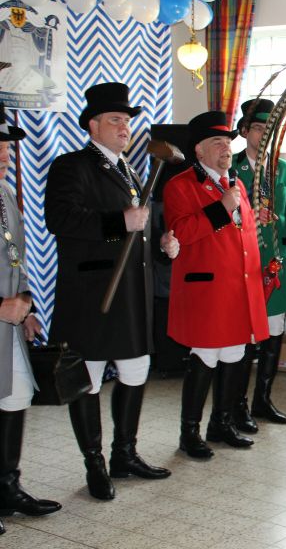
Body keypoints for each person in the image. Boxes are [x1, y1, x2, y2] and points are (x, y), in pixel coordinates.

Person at [45, 82, 175, 500]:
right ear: (93, 125)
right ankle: (95, 464)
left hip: (130, 295)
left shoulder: (129, 170)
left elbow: (135, 231)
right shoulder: (71, 166)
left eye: (127, 120)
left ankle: (125, 454)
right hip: (92, 295)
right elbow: (60, 219)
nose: (125, 127)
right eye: (115, 120)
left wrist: (160, 245)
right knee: (90, 378)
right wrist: (119, 221)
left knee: (136, 371)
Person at [163, 110, 269, 459]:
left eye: (228, 142)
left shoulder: (235, 183)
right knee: (206, 355)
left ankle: (221, 424)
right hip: (207, 289)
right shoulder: (180, 185)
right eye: (217, 142)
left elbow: (244, 236)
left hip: (239, 286)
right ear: (199, 150)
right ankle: (189, 432)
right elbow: (180, 232)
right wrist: (220, 208)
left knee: (235, 353)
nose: (226, 148)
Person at [227, 98, 286, 432]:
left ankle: (262, 399)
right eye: (259, 128)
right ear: (244, 131)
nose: (264, 135)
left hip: (277, 263)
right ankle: (237, 406)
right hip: (243, 263)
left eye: (270, 129)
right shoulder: (231, 168)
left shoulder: (284, 168)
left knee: (274, 332)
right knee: (246, 336)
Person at [0, 105, 61, 529]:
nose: (5, 155)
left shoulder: (5, 194)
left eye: (6, 147)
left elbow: (14, 258)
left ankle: (7, 488)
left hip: (10, 324)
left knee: (16, 397)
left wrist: (27, 307)